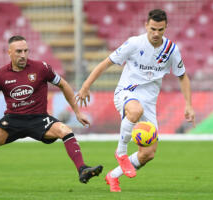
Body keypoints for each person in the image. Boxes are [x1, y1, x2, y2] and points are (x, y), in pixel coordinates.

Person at [0, 35, 103, 192]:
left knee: (66, 131)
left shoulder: (41, 68)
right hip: (12, 121)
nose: (23, 55)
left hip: (39, 119)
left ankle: (82, 169)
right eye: (19, 51)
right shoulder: (0, 75)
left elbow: (64, 85)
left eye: (26, 51)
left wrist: (77, 112)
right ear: (9, 52)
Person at [75, 9, 195, 192]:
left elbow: (183, 76)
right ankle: (121, 153)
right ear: (146, 25)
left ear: (166, 28)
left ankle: (113, 176)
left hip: (149, 102)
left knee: (148, 153)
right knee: (135, 110)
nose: (156, 33)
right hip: (126, 92)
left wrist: (188, 104)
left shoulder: (171, 50)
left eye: (160, 30)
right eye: (153, 29)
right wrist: (85, 85)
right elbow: (106, 63)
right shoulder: (134, 43)